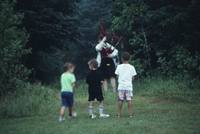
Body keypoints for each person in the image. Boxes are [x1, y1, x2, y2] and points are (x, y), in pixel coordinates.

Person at [115, 52, 137, 118]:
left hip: (121, 86)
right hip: (128, 86)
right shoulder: (132, 67)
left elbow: (117, 76)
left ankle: (119, 114)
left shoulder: (119, 66)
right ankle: (130, 114)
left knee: (120, 100)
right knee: (129, 100)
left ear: (122, 59)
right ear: (129, 59)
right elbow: (133, 77)